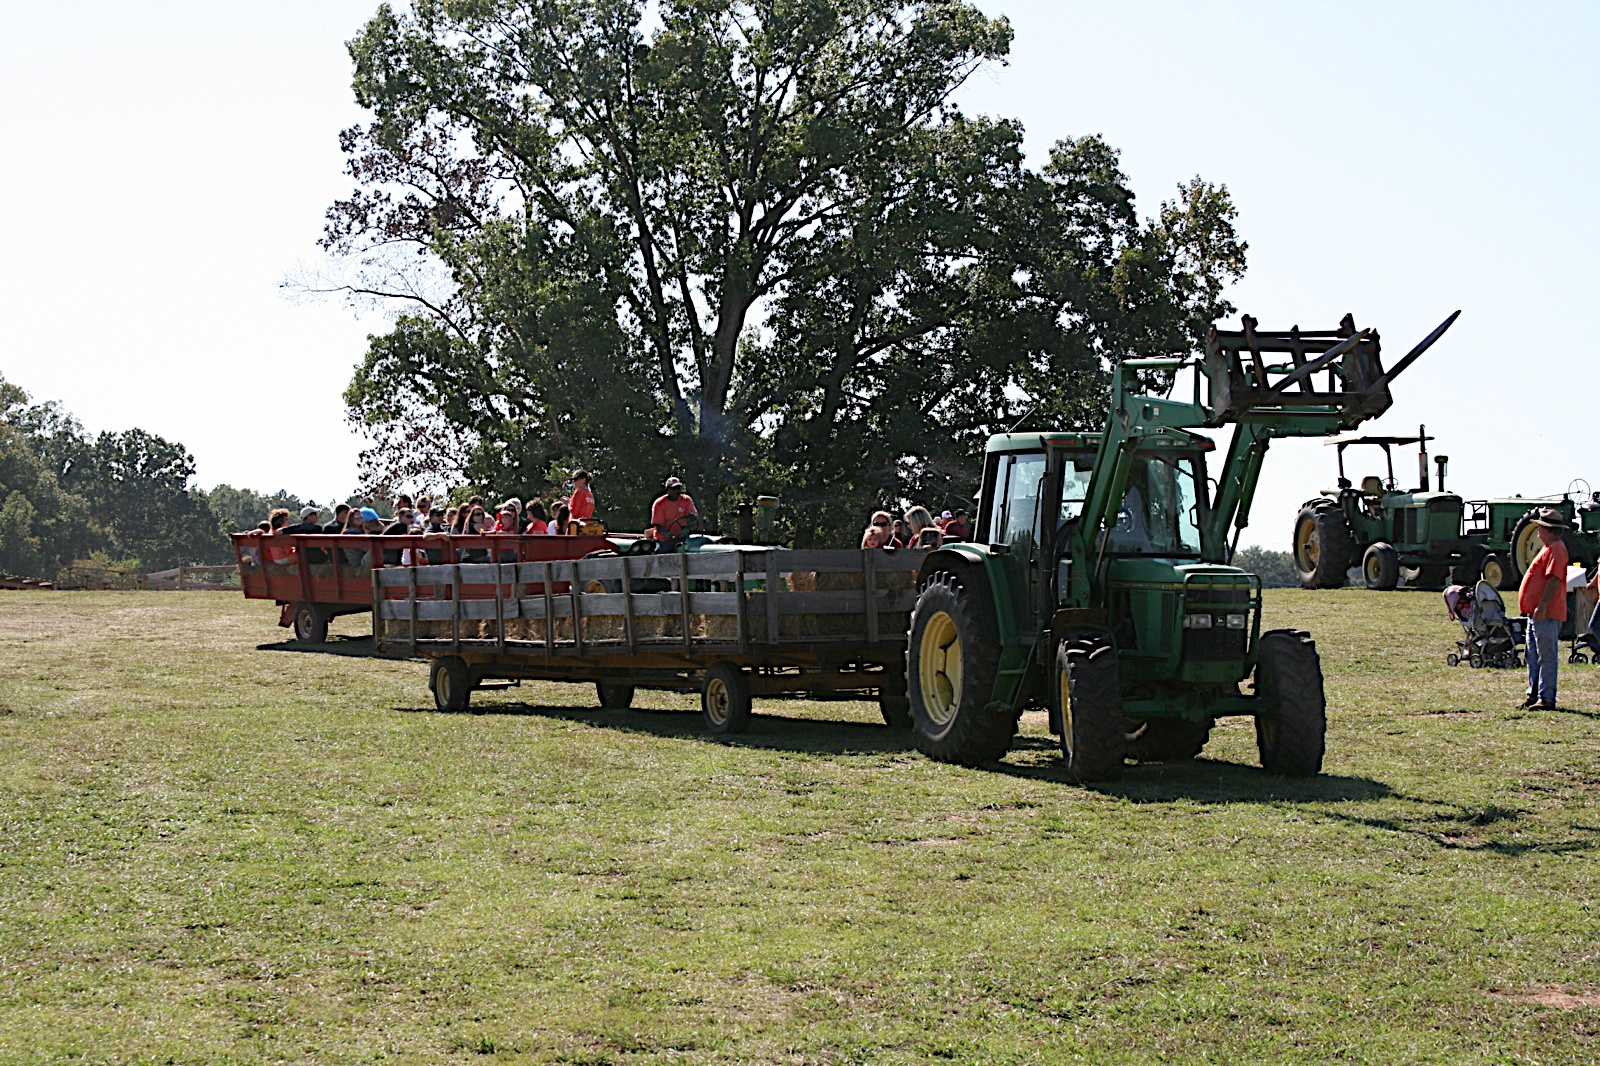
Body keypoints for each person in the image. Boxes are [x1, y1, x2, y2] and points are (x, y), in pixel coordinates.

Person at [1518, 507, 1571, 710]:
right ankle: (1534, 694)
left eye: (1541, 527)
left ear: (1550, 530)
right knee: (1532, 656)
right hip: (1536, 613)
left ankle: (1546, 698)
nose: (1538, 530)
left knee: (1546, 656)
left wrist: (1542, 605)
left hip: (1546, 613)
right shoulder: (1549, 548)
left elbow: (1554, 579)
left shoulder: (1556, 548)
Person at [649, 477, 699, 542]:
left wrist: (692, 517)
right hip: (664, 540)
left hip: (682, 537)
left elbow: (694, 517)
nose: (676, 491)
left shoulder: (686, 500)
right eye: (673, 488)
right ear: (667, 489)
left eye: (678, 488)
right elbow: (658, 525)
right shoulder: (659, 503)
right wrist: (667, 536)